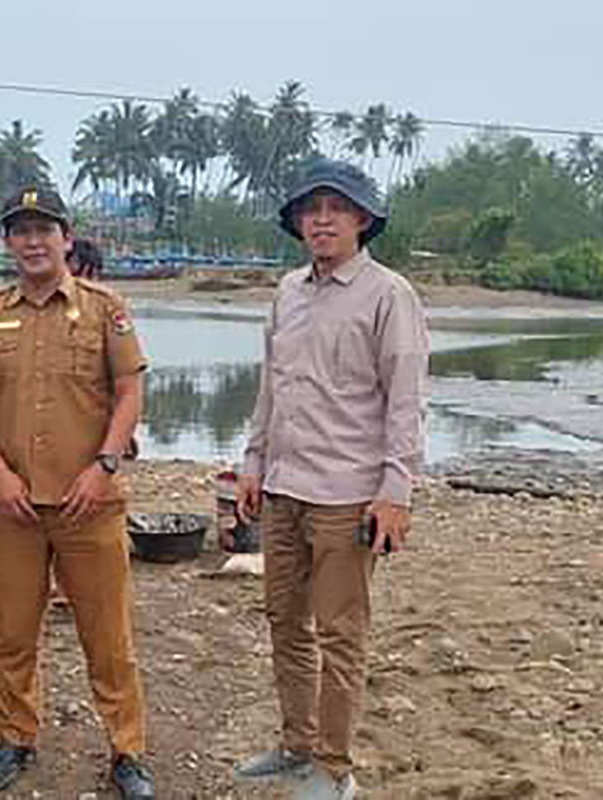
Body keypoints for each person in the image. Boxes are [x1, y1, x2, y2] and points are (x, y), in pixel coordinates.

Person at [234, 159, 430, 800]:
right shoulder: (288, 292)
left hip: (348, 496)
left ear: (363, 220)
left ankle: (334, 769)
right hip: (285, 487)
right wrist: (252, 463)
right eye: (310, 209)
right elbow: (272, 386)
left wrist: (395, 492)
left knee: (341, 634)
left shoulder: (387, 295)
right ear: (296, 223)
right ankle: (296, 746)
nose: (320, 220)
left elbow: (405, 401)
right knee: (284, 621)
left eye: (335, 209)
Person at [0, 186, 155, 798]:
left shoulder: (104, 309)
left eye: (45, 230)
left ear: (67, 239)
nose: (33, 241)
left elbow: (129, 391)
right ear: (8, 242)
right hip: (13, 508)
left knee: (108, 637)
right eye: (21, 231)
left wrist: (104, 466)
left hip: (87, 504)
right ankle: (15, 740)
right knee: (14, 634)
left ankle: (128, 753)